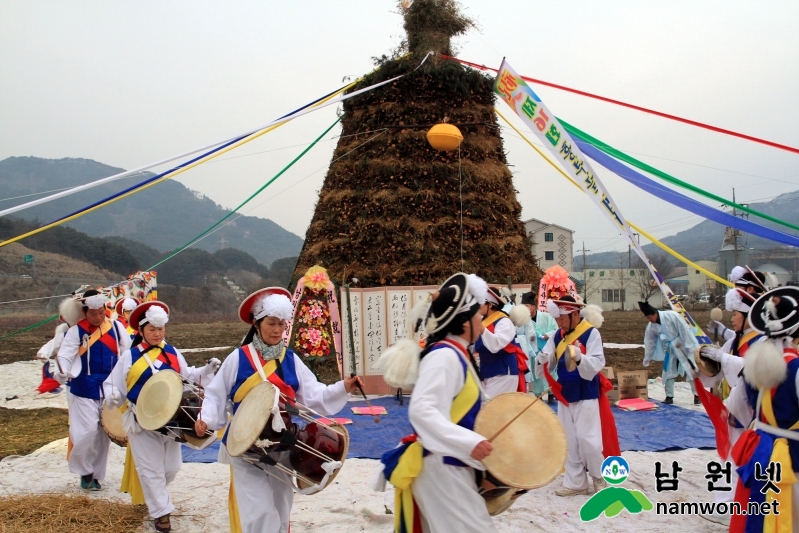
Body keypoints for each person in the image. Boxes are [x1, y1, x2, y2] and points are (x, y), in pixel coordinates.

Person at [194, 287, 363, 533]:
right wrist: (207, 419)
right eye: (271, 323)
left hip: (284, 444)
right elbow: (216, 394)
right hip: (245, 447)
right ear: (257, 323)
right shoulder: (237, 358)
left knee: (281, 509)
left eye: (281, 324)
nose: (277, 330)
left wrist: (343, 387)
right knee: (260, 513)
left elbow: (314, 395)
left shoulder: (291, 359)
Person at [378, 273, 497, 533]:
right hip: (441, 465)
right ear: (464, 321)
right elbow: (422, 410)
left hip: (450, 462)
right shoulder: (444, 356)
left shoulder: (456, 354)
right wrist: (470, 442)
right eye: (478, 314)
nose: (482, 320)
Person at [104, 301, 219, 532]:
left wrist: (206, 371)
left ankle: (154, 495)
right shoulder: (129, 357)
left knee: (171, 468)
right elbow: (111, 384)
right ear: (141, 330)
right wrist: (114, 395)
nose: (157, 334)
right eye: (152, 330)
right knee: (151, 470)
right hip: (141, 421)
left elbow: (187, 377)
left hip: (172, 422)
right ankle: (161, 514)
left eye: (161, 329)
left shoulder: (172, 352)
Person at [724, 286, 799, 532]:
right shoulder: (796, 369)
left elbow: (736, 410)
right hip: (793, 461)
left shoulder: (753, 366)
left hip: (762, 455)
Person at [695, 287, 764, 517]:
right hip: (738, 404)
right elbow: (717, 372)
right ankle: (728, 501)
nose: (731, 318)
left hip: (755, 408)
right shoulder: (736, 340)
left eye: (735, 313)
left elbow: (751, 368)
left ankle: (738, 502)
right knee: (734, 455)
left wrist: (722, 357)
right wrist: (700, 367)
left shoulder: (761, 341)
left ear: (746, 315)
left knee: (744, 455)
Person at [55, 289, 131, 490]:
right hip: (84, 385)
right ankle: (84, 470)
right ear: (84, 312)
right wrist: (61, 370)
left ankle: (95, 476)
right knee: (86, 431)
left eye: (101, 313)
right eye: (93, 314)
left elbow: (127, 355)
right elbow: (64, 355)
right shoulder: (76, 331)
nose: (98, 317)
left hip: (110, 386)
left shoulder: (115, 327)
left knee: (102, 434)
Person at [536, 296, 609, 496]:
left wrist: (579, 356)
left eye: (562, 318)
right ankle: (576, 483)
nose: (558, 322)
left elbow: (596, 364)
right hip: (565, 392)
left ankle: (598, 476)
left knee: (588, 439)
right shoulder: (557, 335)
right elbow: (547, 358)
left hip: (586, 391)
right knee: (569, 439)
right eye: (557, 318)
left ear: (575, 314)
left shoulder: (591, 333)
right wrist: (542, 359)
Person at [639, 301, 699, 405]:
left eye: (649, 317)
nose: (649, 320)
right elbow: (649, 341)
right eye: (647, 318)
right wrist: (647, 357)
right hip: (669, 348)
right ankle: (669, 396)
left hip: (681, 344)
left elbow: (684, 328)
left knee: (690, 369)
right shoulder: (651, 326)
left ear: (655, 313)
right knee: (668, 371)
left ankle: (697, 395)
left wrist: (689, 345)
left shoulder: (672, 315)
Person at [474, 286, 528, 397]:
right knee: (485, 410)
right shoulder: (484, 322)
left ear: (490, 304)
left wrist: (480, 327)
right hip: (488, 372)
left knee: (490, 410)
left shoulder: (504, 321)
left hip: (503, 372)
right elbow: (475, 346)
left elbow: (495, 345)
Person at [517, 291, 558, 401]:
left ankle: (551, 393)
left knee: (549, 371)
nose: (524, 309)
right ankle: (537, 394)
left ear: (533, 306)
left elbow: (555, 329)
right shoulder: (523, 320)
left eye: (526, 306)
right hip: (532, 351)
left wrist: (547, 335)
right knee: (536, 373)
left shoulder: (546, 317)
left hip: (546, 349)